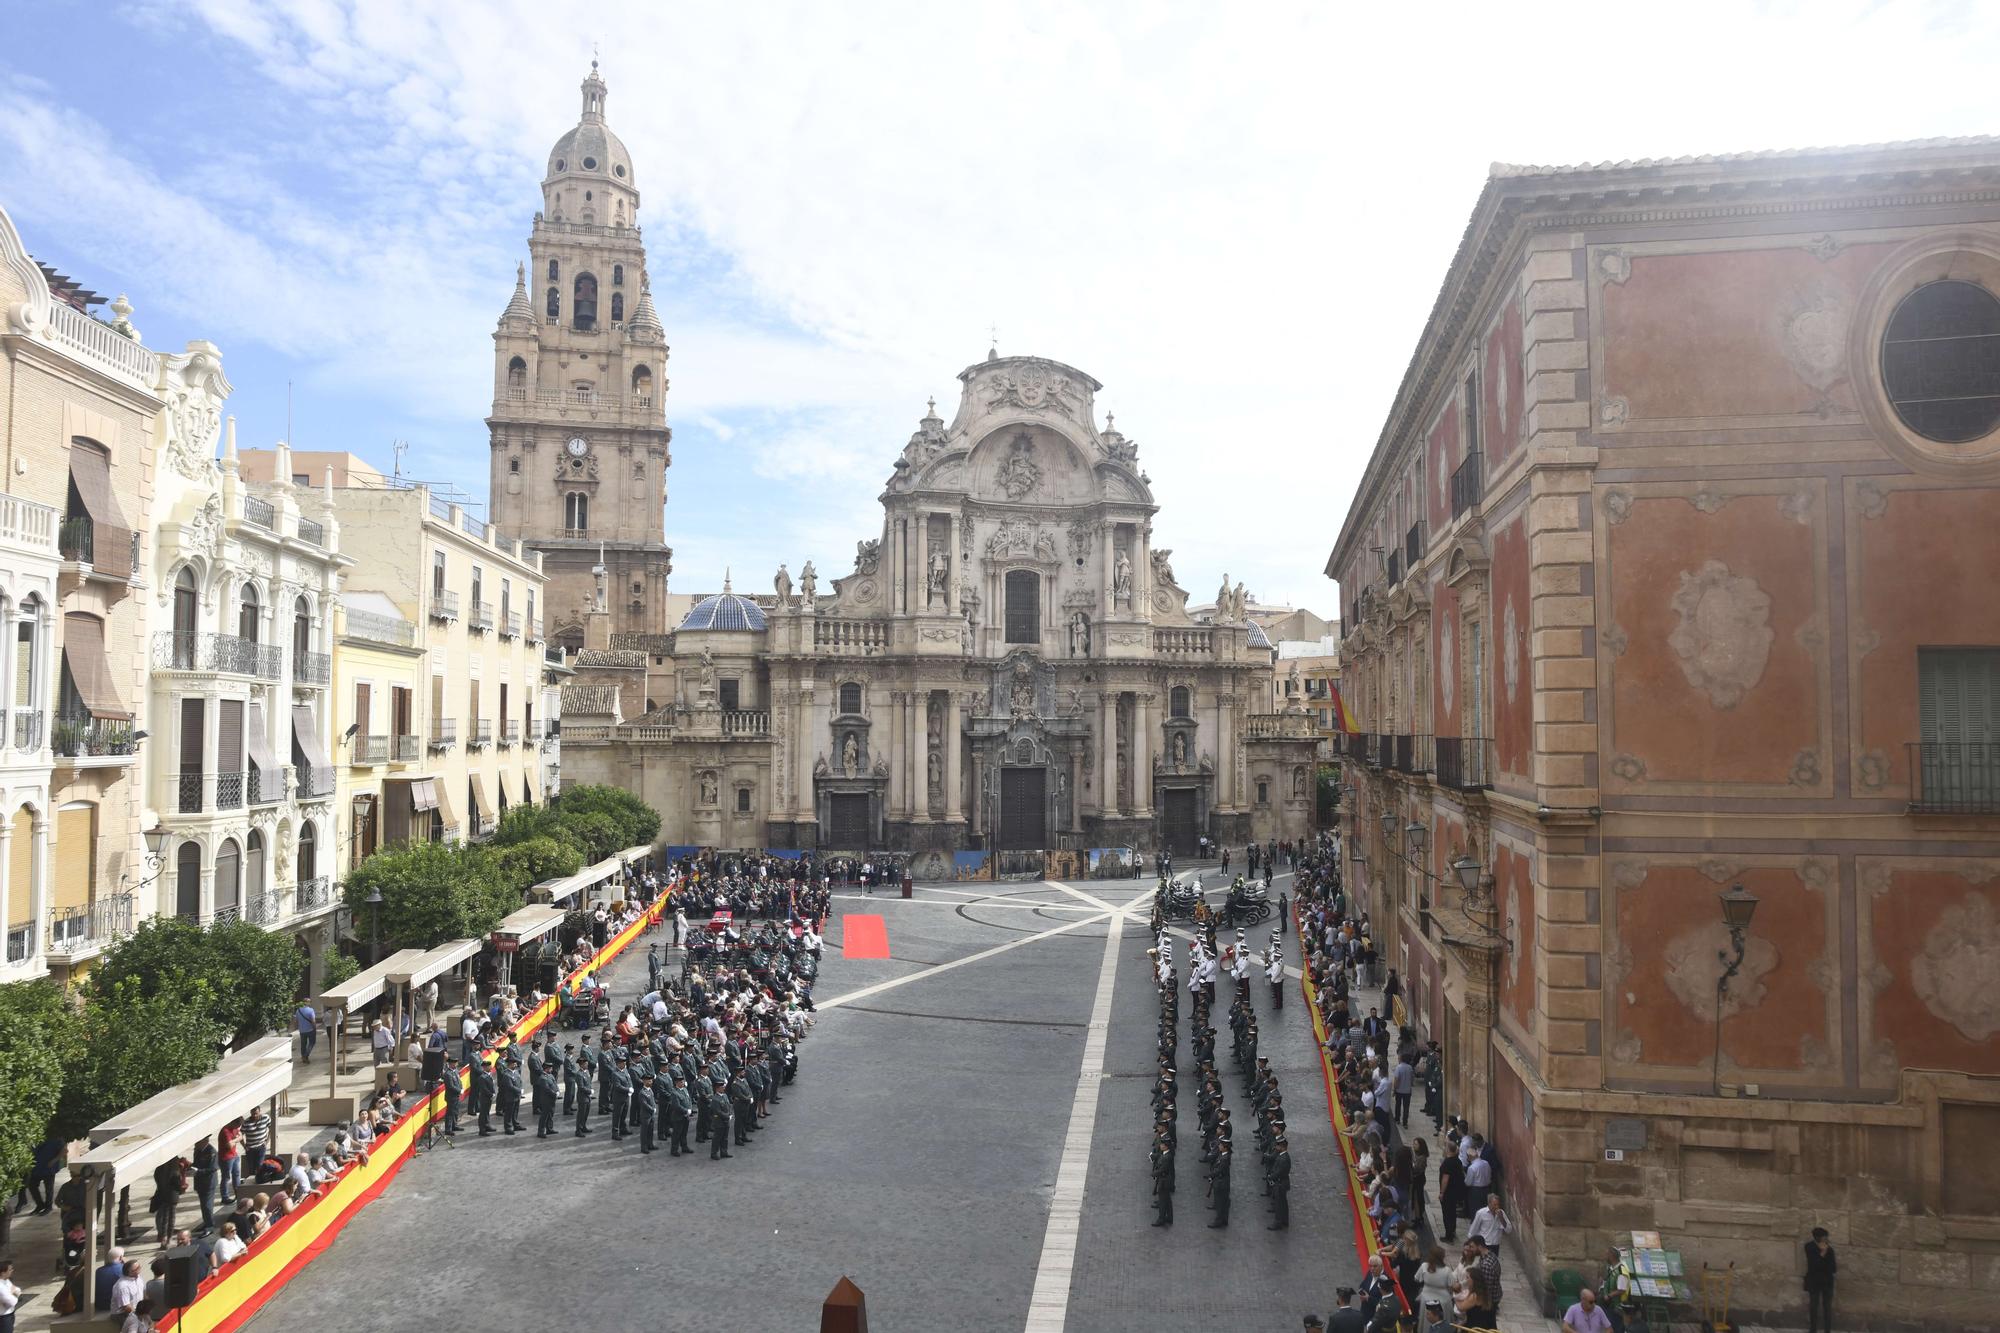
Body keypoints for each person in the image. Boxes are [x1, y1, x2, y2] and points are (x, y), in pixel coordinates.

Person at [1804, 1225, 1836, 1333]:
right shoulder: (1809, 1247)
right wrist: (1822, 1254)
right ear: (1817, 1237)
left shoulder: (1830, 1250)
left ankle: (1827, 1330)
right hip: (1814, 1282)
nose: (1825, 1239)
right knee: (1814, 1307)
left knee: (1827, 1308)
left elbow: (1833, 1268)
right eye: (1823, 1237)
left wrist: (1826, 1255)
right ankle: (1813, 1330)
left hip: (1827, 1282)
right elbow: (1813, 1265)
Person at [0, 1258, 20, 1333]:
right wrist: (12, 1293)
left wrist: (11, 1292)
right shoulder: (0, 1286)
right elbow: (12, 1301)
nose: (12, 1271)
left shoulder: (6, 1280)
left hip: (10, 1313)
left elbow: (18, 1290)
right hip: (3, 1317)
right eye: (10, 1270)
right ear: (3, 1273)